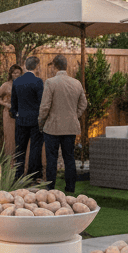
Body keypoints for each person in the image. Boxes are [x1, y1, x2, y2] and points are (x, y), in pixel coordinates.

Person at [38, 55, 88, 193]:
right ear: (66, 66)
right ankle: (70, 188)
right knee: (69, 158)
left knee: (51, 159)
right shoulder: (76, 83)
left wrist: (41, 122)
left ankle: (50, 188)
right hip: (70, 127)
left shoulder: (50, 82)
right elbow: (83, 104)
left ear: (54, 66)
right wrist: (74, 115)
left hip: (52, 127)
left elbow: (44, 107)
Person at [11, 56, 45, 183]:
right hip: (35, 120)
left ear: (25, 66)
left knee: (20, 149)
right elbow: (42, 103)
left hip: (21, 120)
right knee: (35, 148)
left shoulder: (17, 82)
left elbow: (13, 103)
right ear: (37, 66)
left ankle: (18, 176)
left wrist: (16, 114)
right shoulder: (38, 82)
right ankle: (33, 176)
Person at [0, 63, 24, 156]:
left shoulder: (22, 84)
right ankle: (10, 160)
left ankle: (20, 159)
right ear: (11, 74)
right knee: (10, 136)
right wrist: (6, 104)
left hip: (20, 113)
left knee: (20, 136)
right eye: (15, 73)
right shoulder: (6, 85)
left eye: (18, 73)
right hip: (9, 114)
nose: (17, 75)